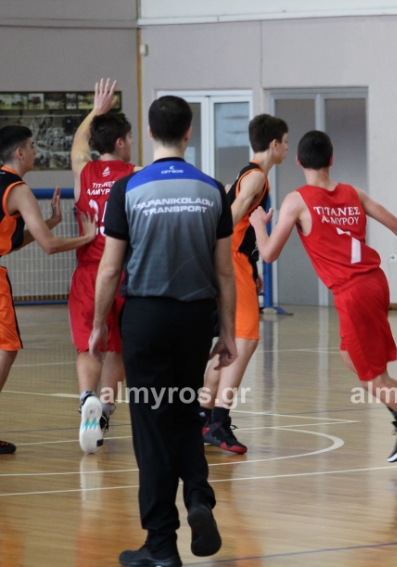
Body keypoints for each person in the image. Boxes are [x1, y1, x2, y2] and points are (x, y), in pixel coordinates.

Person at [249, 130, 397, 476]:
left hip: (353, 292)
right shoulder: (355, 193)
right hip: (375, 283)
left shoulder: (296, 201)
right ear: (332, 159)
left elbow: (268, 254)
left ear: (298, 162)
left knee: (377, 379)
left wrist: (258, 225)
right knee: (348, 355)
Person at [91, 95, 235, 566]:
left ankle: (160, 545)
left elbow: (110, 269)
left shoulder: (128, 189)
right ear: (188, 133)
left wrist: (98, 325)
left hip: (147, 320)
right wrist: (227, 332)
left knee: (152, 428)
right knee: (184, 414)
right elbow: (225, 272)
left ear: (150, 133)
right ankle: (198, 497)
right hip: (195, 320)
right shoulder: (213, 190)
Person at [0, 126, 96, 455]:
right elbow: (50, 246)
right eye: (32, 146)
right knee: (7, 349)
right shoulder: (17, 188)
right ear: (19, 153)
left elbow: (12, 242)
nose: (36, 151)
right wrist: (86, 238)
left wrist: (50, 222)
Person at [201, 114, 288, 454]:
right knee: (245, 342)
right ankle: (218, 422)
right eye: (285, 142)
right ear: (274, 144)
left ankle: (203, 416)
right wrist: (232, 260)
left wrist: (250, 263)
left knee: (229, 345)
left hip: (238, 263)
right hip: (232, 263)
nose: (287, 148)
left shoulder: (246, 174)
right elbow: (230, 218)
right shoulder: (256, 178)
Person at [69, 78, 139, 454]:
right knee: (118, 349)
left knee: (88, 346)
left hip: (87, 273)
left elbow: (77, 145)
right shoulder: (136, 174)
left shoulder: (83, 172)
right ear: (121, 143)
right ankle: (106, 411)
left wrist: (96, 111)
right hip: (123, 272)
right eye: (129, 138)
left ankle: (87, 398)